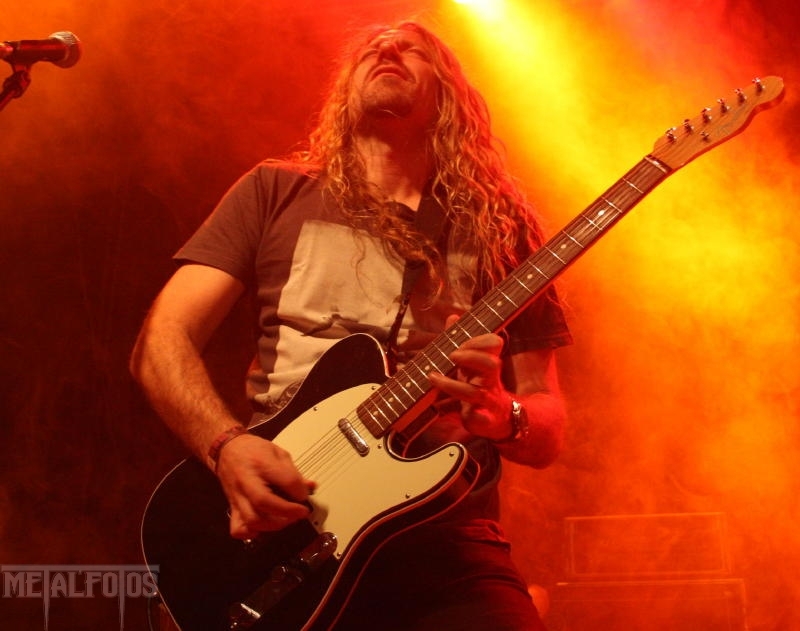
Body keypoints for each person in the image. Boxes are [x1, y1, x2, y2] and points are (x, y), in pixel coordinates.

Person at [130, 20, 572, 631]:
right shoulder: (274, 191)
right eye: (371, 48)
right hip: (289, 513)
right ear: (344, 89)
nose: (387, 47)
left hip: (445, 537)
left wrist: (504, 412)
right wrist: (225, 446)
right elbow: (161, 341)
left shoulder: (500, 227)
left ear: (449, 94)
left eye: (413, 48)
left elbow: (548, 424)